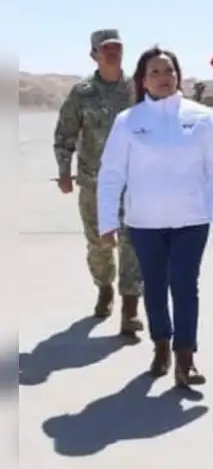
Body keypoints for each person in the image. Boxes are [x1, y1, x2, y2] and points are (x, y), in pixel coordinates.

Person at [96, 46, 213, 388]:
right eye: (154, 72)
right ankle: (161, 346)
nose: (163, 77)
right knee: (155, 287)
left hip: (192, 220)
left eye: (169, 71)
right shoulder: (128, 121)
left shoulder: (201, 118)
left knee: (185, 286)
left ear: (178, 76)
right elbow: (111, 174)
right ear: (143, 80)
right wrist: (107, 221)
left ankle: (186, 357)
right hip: (145, 223)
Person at [53, 28, 144, 337]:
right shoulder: (82, 93)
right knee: (98, 243)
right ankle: (104, 288)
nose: (113, 52)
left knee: (133, 243)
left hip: (133, 182)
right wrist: (64, 170)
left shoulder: (137, 88)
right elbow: (65, 132)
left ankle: (130, 308)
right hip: (94, 182)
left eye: (117, 47)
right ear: (93, 54)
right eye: (106, 48)